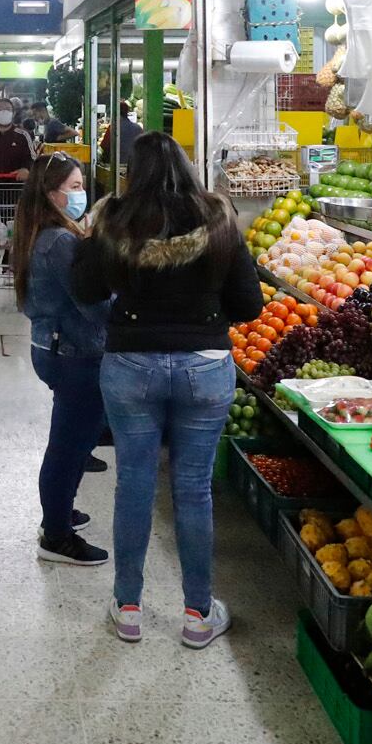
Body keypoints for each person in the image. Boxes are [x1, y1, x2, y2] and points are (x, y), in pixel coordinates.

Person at [72, 132, 263, 648]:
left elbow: (84, 289)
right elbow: (249, 306)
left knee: (133, 484)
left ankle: (128, 607)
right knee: (194, 489)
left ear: (133, 171)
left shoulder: (113, 219)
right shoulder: (220, 219)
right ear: (187, 166)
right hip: (205, 365)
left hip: (131, 363)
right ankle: (198, 614)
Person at [14, 153, 111, 566]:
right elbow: (92, 304)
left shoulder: (44, 232)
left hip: (54, 347)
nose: (81, 193)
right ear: (51, 194)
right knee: (69, 446)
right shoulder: (59, 241)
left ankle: (60, 509)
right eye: (73, 187)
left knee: (73, 439)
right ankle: (56, 535)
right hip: (73, 352)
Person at [100, 102, 145, 168]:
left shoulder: (113, 127)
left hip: (114, 166)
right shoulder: (138, 128)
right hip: (133, 165)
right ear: (127, 112)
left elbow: (104, 145)